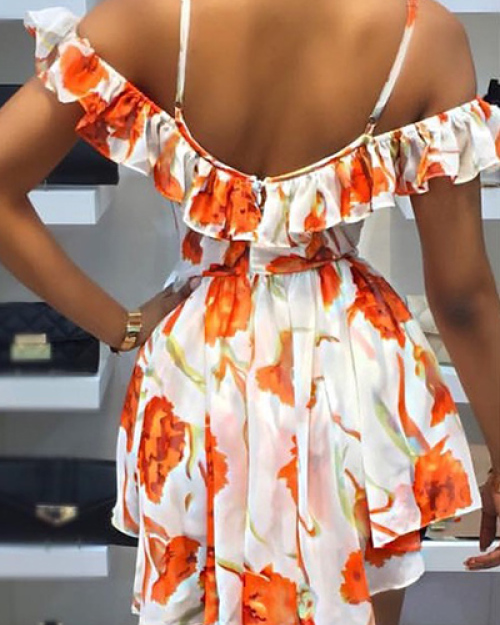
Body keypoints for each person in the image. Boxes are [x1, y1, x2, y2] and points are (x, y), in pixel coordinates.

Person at [0, 0, 499, 623]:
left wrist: (120, 326)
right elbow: (462, 297)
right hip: (350, 372)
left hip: (200, 372)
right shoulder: (426, 38)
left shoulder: (146, 17)